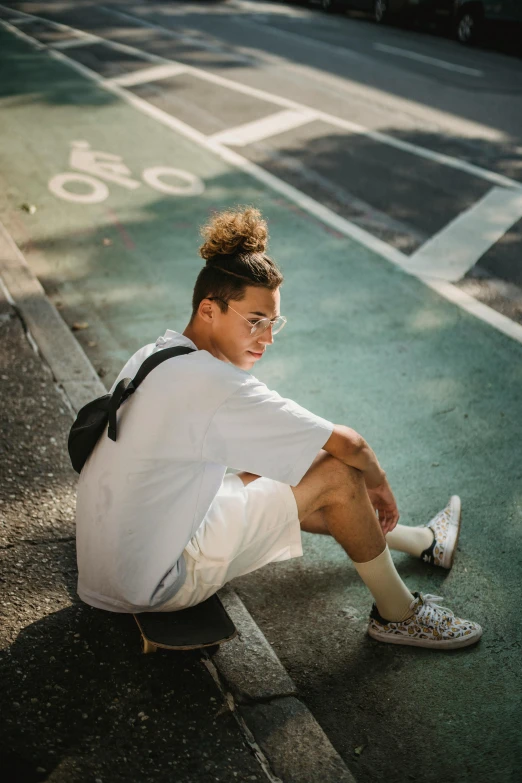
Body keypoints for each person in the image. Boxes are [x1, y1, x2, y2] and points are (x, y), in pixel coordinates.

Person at [75, 207, 482, 650]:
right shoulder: (215, 385)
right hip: (154, 581)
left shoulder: (158, 353)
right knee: (338, 472)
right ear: (209, 309)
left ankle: (423, 542)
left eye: (273, 322)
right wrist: (379, 485)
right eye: (255, 321)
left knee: (290, 463)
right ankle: (398, 614)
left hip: (109, 561)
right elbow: (350, 444)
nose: (267, 338)